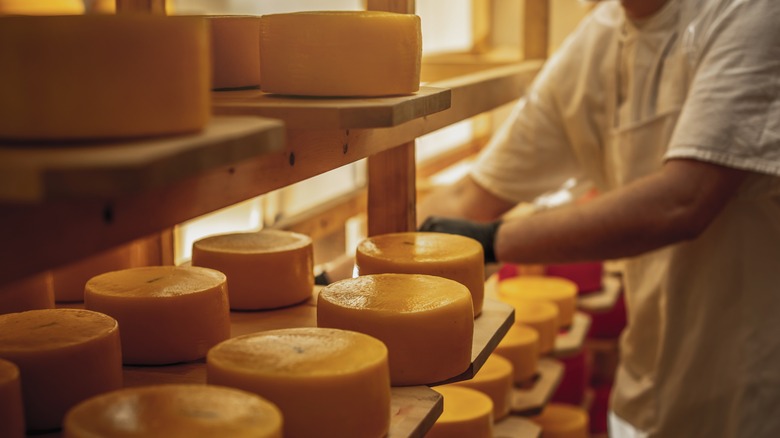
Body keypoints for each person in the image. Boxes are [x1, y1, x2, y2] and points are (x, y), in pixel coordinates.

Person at [418, 0, 780, 436]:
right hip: (648, 380)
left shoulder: (752, 12)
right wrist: (340, 277)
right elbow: (470, 196)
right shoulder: (600, 36)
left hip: (755, 386)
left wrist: (491, 240)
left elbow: (686, 200)